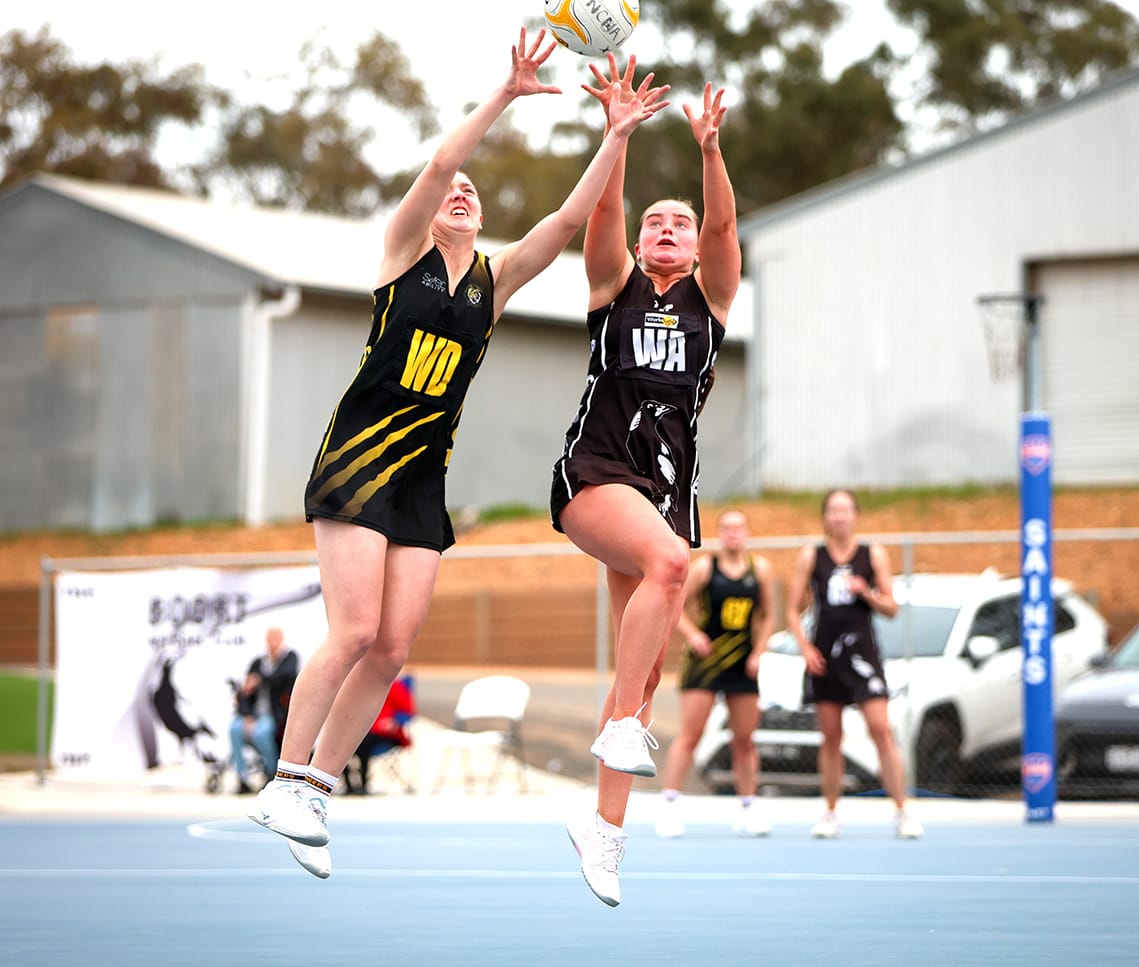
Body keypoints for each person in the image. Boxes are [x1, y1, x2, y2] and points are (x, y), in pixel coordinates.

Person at [246, 28, 670, 880]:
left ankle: (318, 785)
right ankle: (283, 779)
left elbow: (565, 221)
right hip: (358, 461)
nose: (464, 194)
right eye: (456, 193)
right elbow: (441, 165)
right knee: (355, 627)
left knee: (394, 647)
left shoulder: (494, 279)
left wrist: (614, 136)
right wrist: (506, 96)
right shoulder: (403, 256)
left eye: (476, 193)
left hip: (422, 478)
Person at [552, 54, 742, 906]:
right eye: (655, 220)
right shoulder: (612, 286)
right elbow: (601, 209)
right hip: (595, 472)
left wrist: (708, 150)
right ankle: (624, 728)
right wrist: (618, 134)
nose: (666, 226)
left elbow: (729, 230)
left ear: (697, 245)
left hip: (667, 493)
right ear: (637, 241)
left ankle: (605, 830)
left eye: (681, 221)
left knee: (648, 669)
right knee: (672, 567)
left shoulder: (710, 304)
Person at [784, 488, 923, 840]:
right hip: (825, 654)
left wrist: (867, 592)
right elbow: (791, 609)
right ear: (825, 516)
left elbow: (892, 608)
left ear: (855, 515)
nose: (839, 516)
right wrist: (805, 648)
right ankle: (830, 811)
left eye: (845, 510)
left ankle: (903, 809)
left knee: (881, 728)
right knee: (831, 736)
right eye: (833, 510)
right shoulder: (811, 556)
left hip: (862, 653)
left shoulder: (871, 554)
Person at [654, 509, 776, 839]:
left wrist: (759, 651)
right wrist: (693, 635)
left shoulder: (759, 570)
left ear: (747, 532)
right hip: (705, 662)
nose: (733, 533)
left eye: (738, 527)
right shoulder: (706, 567)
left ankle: (748, 807)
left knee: (744, 739)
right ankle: (668, 805)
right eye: (727, 528)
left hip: (742, 662)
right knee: (690, 735)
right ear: (720, 533)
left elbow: (767, 616)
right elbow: (675, 606)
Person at [227, 626, 299, 793]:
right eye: (269, 638)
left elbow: (285, 676)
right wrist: (247, 715)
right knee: (235, 730)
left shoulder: (289, 658)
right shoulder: (257, 663)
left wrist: (259, 679)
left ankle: (272, 771)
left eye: (275, 638)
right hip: (254, 714)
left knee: (261, 734)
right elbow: (245, 692)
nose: (272, 642)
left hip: (273, 714)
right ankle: (242, 776)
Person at [341, 676, 415, 796]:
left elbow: (407, 712)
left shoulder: (396, 686)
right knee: (341, 743)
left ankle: (363, 783)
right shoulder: (357, 686)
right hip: (361, 731)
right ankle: (349, 784)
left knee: (364, 742)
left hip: (386, 734)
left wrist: (394, 722)